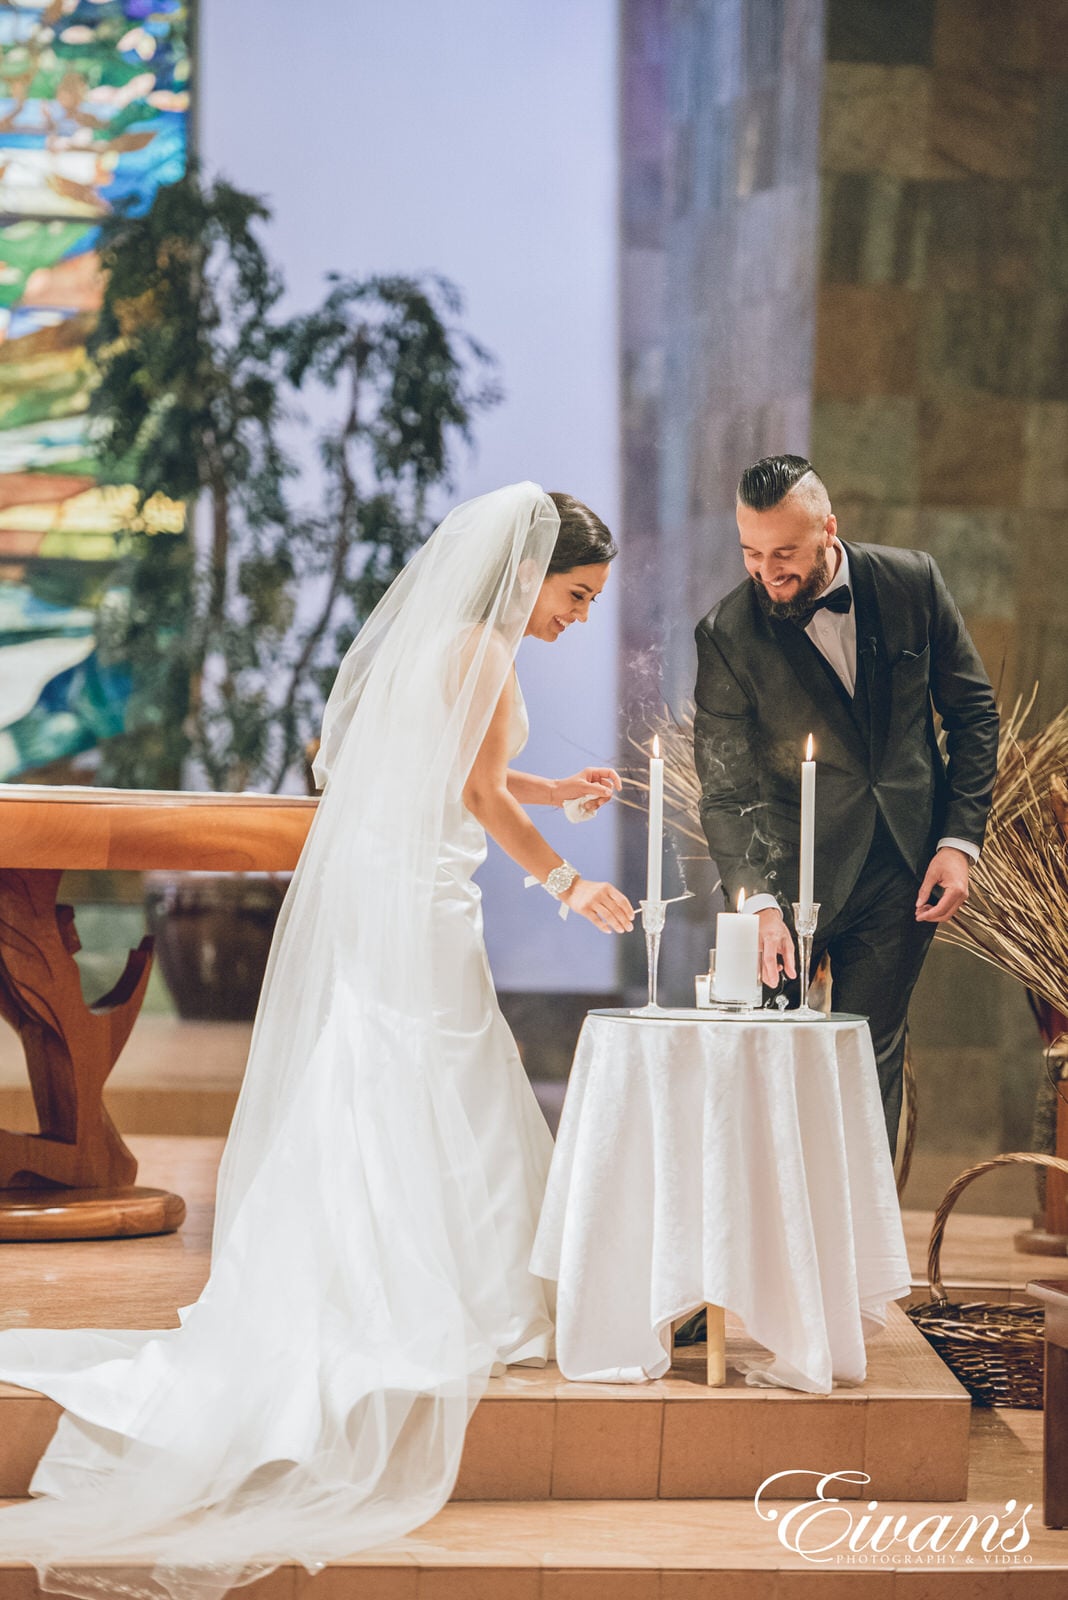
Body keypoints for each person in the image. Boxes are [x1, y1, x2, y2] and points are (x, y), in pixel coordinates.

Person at [0, 482, 633, 1600]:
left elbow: (449, 774)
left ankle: (384, 1266)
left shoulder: (452, 640)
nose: (578, 615)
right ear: (531, 572)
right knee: (436, 1072)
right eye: (576, 596)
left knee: (407, 1073)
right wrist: (569, 878)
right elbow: (477, 792)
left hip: (419, 893)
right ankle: (436, 1284)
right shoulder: (486, 647)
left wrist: (553, 789)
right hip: (432, 904)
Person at [693, 454, 999, 1153]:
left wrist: (959, 841)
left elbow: (974, 713)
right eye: (751, 553)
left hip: (901, 869)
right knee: (767, 1068)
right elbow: (726, 790)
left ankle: (861, 1256)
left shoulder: (912, 581)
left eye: (786, 553)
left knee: (868, 1067)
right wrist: (759, 904)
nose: (768, 572)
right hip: (786, 876)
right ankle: (771, 1248)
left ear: (829, 529)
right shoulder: (726, 635)